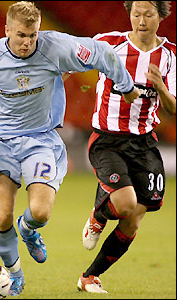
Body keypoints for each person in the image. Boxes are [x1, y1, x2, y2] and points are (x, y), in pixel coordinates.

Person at [0, 1, 141, 296]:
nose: (27, 42)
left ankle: (28, 229)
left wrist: (126, 85)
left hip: (40, 140)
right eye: (20, 35)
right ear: (7, 30)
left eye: (32, 35)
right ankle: (15, 276)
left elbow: (102, 53)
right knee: (2, 216)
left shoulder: (55, 47)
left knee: (40, 212)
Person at [74, 1, 176, 294]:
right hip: (107, 138)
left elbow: (172, 108)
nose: (141, 21)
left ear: (160, 16)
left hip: (144, 144)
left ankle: (89, 277)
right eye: (136, 14)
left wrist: (162, 87)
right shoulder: (108, 44)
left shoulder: (169, 57)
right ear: (129, 13)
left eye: (148, 14)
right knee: (125, 204)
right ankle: (98, 216)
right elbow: (70, 60)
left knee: (133, 220)